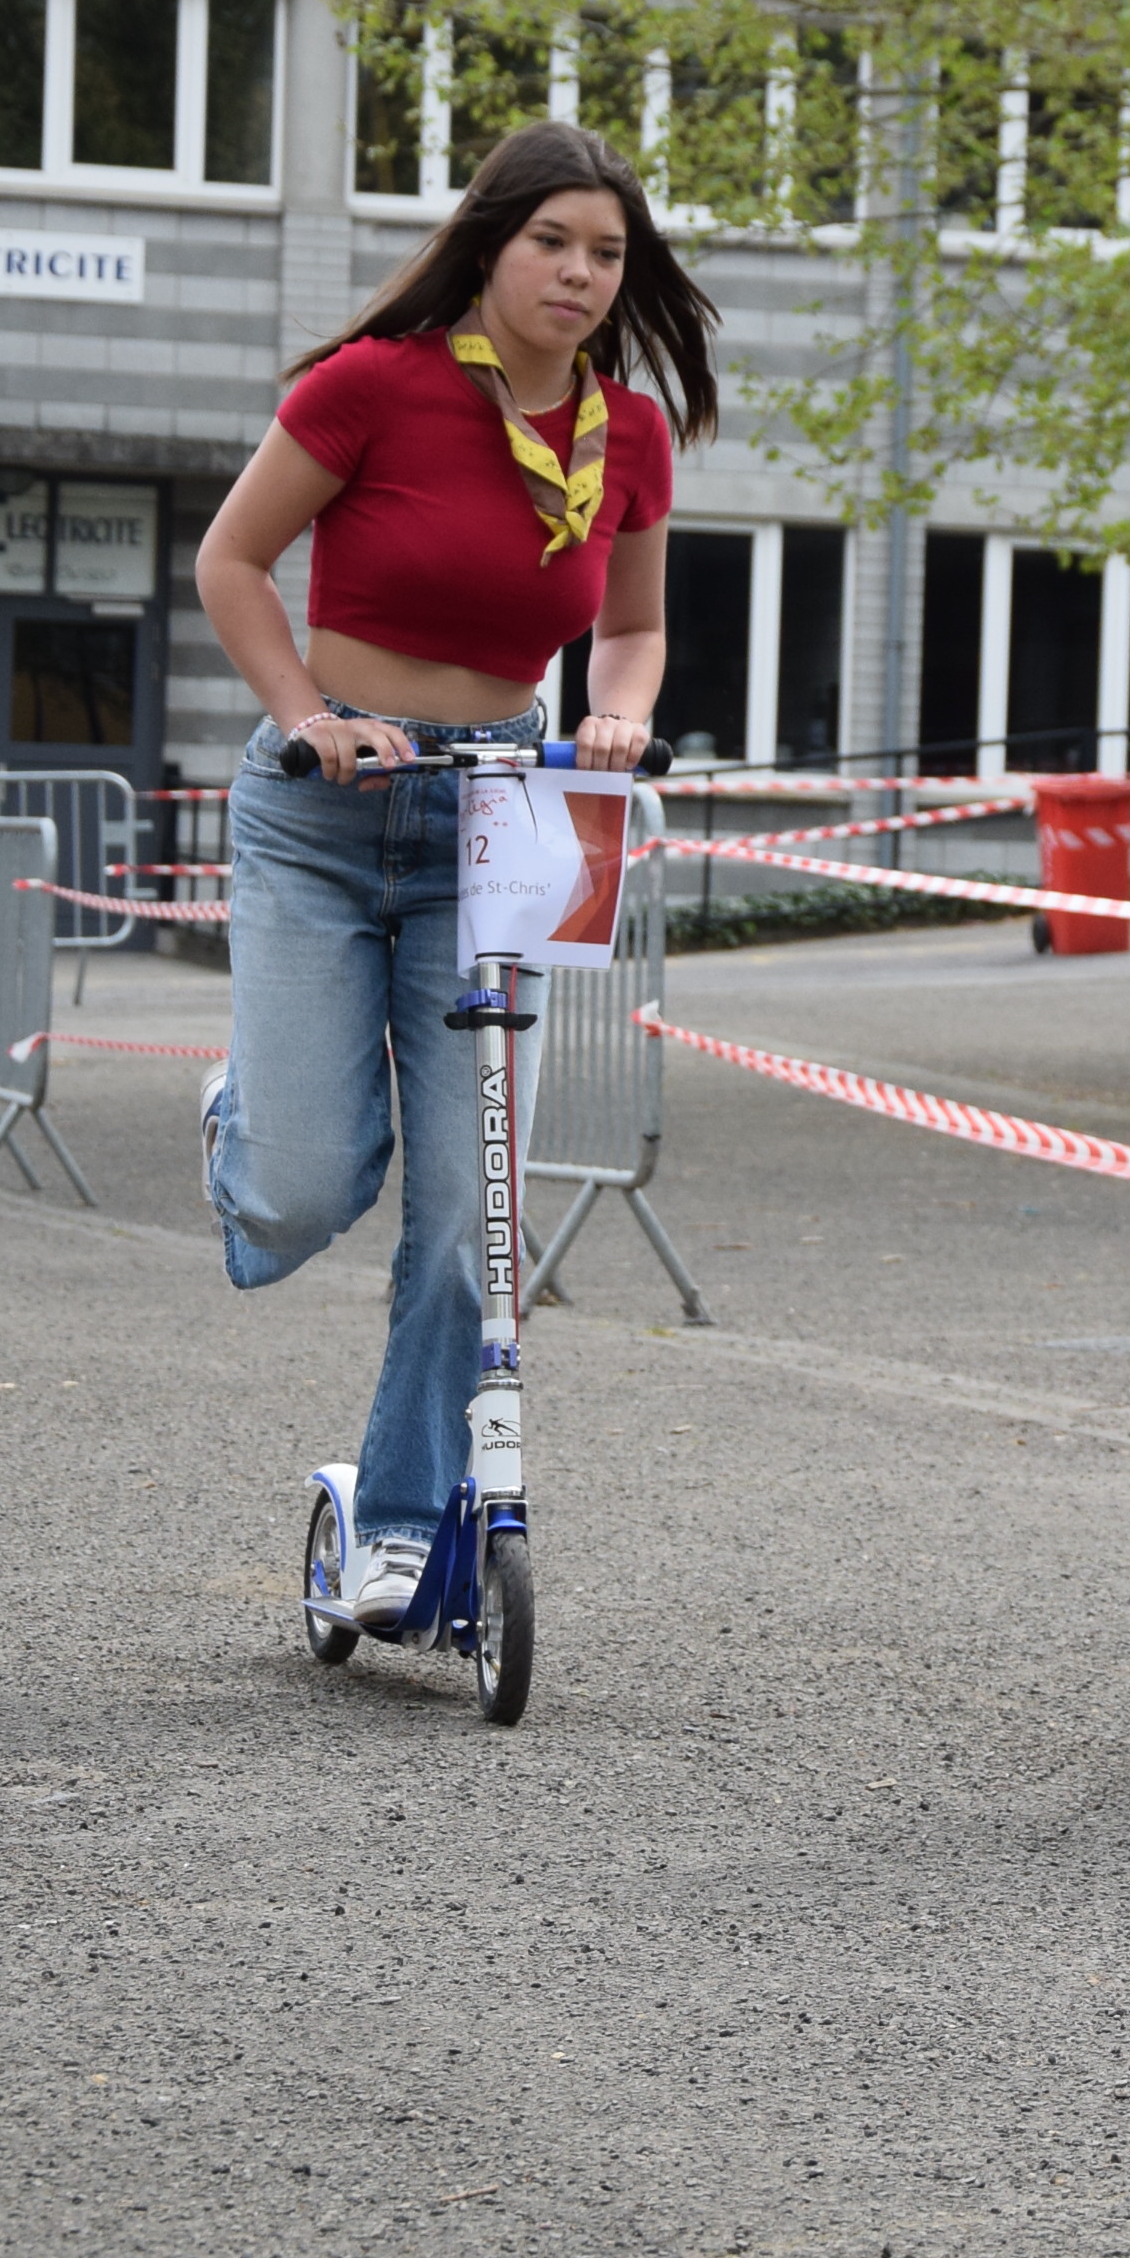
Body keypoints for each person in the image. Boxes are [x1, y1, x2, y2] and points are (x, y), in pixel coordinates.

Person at [190, 120, 712, 1634]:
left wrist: (617, 711)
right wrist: (308, 716)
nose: (580, 273)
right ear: (490, 243)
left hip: (504, 814)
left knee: (471, 1218)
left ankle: (407, 1523)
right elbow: (231, 563)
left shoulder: (630, 432)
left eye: (607, 253)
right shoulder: (372, 386)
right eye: (553, 241)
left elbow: (630, 629)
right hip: (326, 804)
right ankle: (243, 1120)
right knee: (299, 1186)